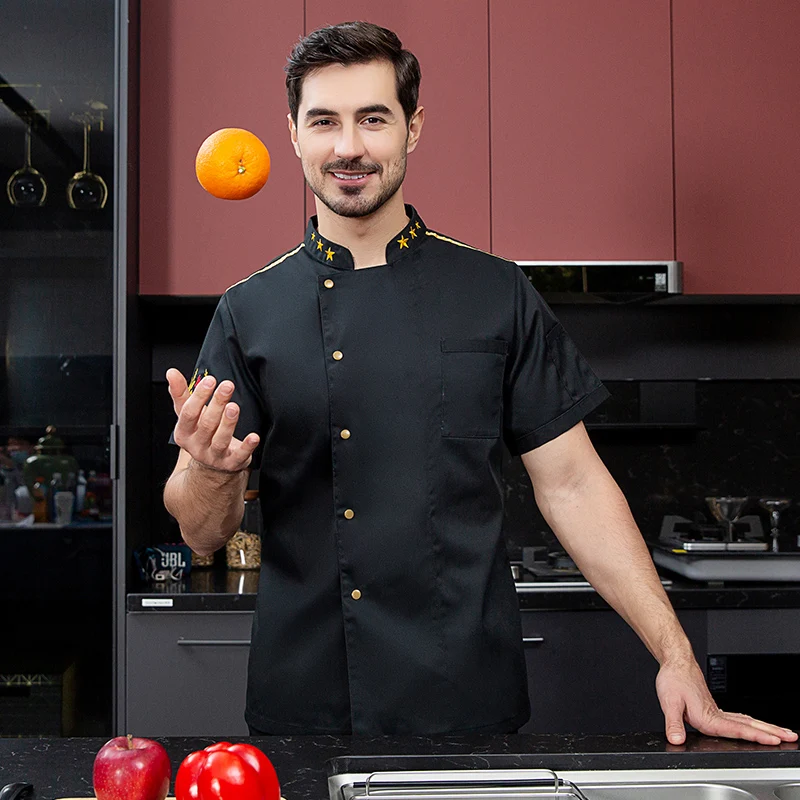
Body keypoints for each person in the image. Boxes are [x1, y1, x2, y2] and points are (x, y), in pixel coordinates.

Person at [164, 21, 796, 743]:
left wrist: (676, 655)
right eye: (325, 122)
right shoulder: (249, 310)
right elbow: (200, 530)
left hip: (465, 698)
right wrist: (212, 473)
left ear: (414, 127)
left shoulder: (496, 293)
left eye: (374, 118)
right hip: (305, 698)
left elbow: (575, 487)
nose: (348, 147)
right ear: (293, 134)